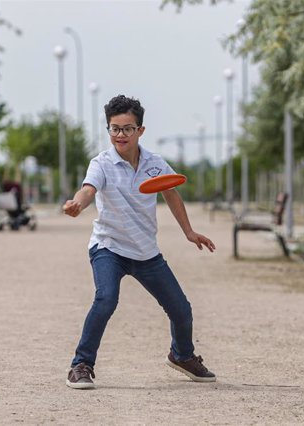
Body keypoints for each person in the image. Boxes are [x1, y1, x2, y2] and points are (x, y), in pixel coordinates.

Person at [62, 95, 217, 390]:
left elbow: (171, 193)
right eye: (114, 128)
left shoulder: (155, 164)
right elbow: (88, 189)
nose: (120, 135)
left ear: (140, 131)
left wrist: (189, 231)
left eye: (127, 128)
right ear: (108, 130)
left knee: (181, 309)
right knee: (106, 299)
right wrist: (77, 204)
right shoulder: (102, 163)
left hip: (145, 251)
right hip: (109, 247)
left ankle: (182, 356)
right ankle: (81, 364)